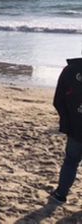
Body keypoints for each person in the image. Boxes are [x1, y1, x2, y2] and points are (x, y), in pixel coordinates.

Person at [50, 57, 82, 204]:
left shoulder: (70, 70)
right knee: (70, 160)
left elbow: (58, 100)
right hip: (76, 125)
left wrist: (67, 120)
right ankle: (60, 193)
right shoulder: (70, 69)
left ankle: (60, 193)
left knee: (70, 161)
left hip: (76, 126)